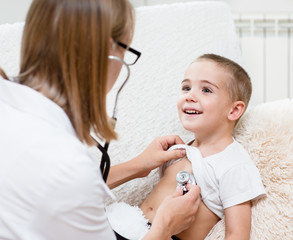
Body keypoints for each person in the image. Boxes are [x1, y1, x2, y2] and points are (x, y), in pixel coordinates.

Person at [0, 0, 201, 239]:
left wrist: (138, 166)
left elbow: (50, 192)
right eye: (126, 51)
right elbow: (67, 186)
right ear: (107, 53)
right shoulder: (68, 167)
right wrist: (164, 228)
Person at [106, 54, 266, 240]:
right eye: (186, 87)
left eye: (206, 90)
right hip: (121, 223)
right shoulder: (179, 150)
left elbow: (236, 234)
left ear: (234, 110)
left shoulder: (235, 164)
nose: (190, 96)